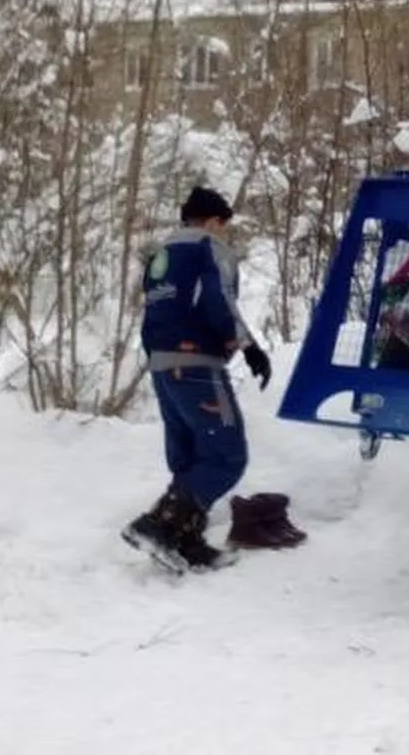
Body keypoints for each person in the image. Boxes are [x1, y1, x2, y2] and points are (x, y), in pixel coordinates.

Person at [122, 186, 291, 573]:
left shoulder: (162, 254)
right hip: (196, 362)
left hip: (163, 364)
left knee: (190, 456)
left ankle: (185, 540)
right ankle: (156, 525)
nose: (224, 234)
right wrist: (247, 346)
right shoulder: (207, 247)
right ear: (214, 220)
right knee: (226, 455)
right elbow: (218, 299)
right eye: (224, 226)